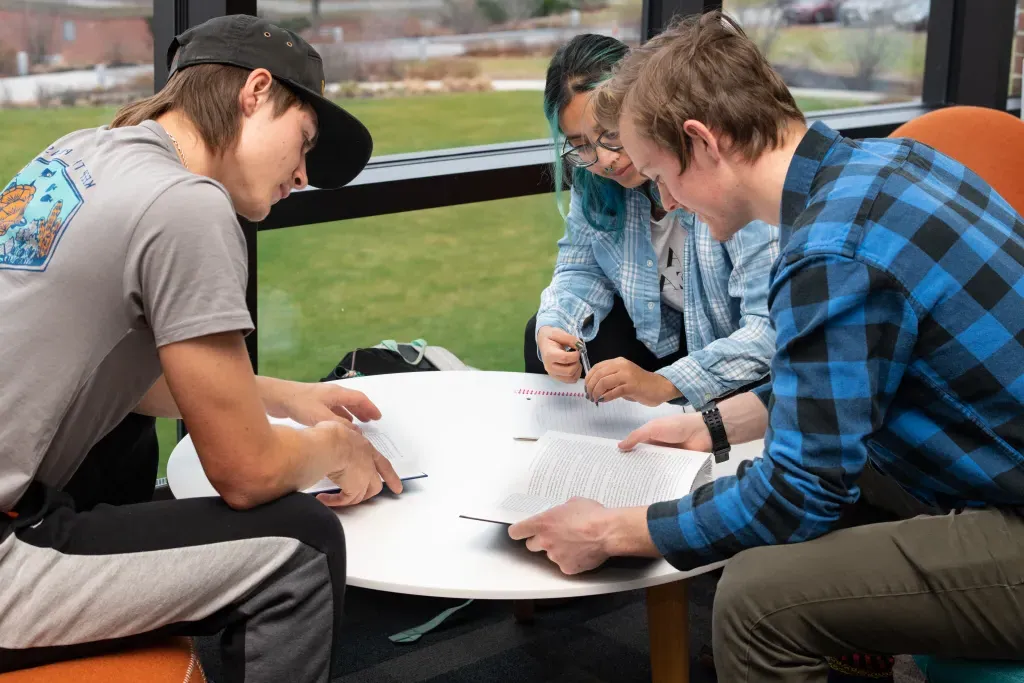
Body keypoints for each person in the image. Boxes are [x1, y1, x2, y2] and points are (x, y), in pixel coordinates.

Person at [508, 11, 1024, 683]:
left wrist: (612, 531)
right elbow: (845, 377)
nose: (663, 197)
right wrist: (715, 421)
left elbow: (799, 494)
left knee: (753, 600)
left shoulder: (830, 253)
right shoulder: (895, 162)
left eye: (662, 174)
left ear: (702, 142)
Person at [0, 15, 403, 682]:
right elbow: (244, 473)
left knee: (125, 436)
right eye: (302, 144)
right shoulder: (185, 204)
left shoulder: (82, 155)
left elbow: (106, 365)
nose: (302, 176)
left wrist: (287, 396)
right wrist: (335, 445)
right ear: (256, 91)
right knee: (302, 545)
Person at [524, 33, 779, 409]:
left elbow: (769, 330)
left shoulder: (732, 179)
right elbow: (580, 267)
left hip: (738, 356)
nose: (605, 160)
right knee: (544, 331)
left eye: (611, 134)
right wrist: (554, 326)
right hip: (663, 336)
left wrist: (664, 383)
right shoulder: (593, 180)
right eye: (581, 145)